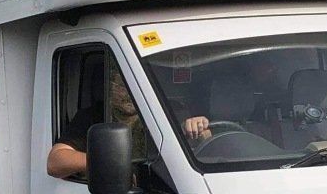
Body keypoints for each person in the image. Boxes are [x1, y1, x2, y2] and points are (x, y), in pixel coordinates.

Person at [48, 68, 208, 179]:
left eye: (136, 86)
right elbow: (55, 161)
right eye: (123, 86)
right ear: (110, 86)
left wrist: (199, 129)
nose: (130, 92)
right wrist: (113, 164)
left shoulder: (169, 111)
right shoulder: (94, 115)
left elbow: (207, 145)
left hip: (170, 190)